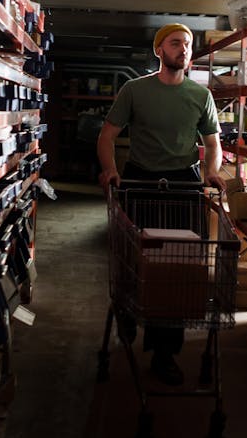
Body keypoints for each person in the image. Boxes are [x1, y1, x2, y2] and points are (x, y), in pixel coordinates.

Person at [96, 23, 226, 385]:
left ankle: (165, 353)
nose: (183, 49)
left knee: (176, 266)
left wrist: (211, 173)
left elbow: (213, 144)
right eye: (175, 43)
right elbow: (107, 136)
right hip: (140, 180)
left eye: (187, 44)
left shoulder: (201, 96)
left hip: (184, 182)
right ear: (159, 50)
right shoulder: (135, 90)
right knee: (133, 257)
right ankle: (126, 306)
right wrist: (110, 170)